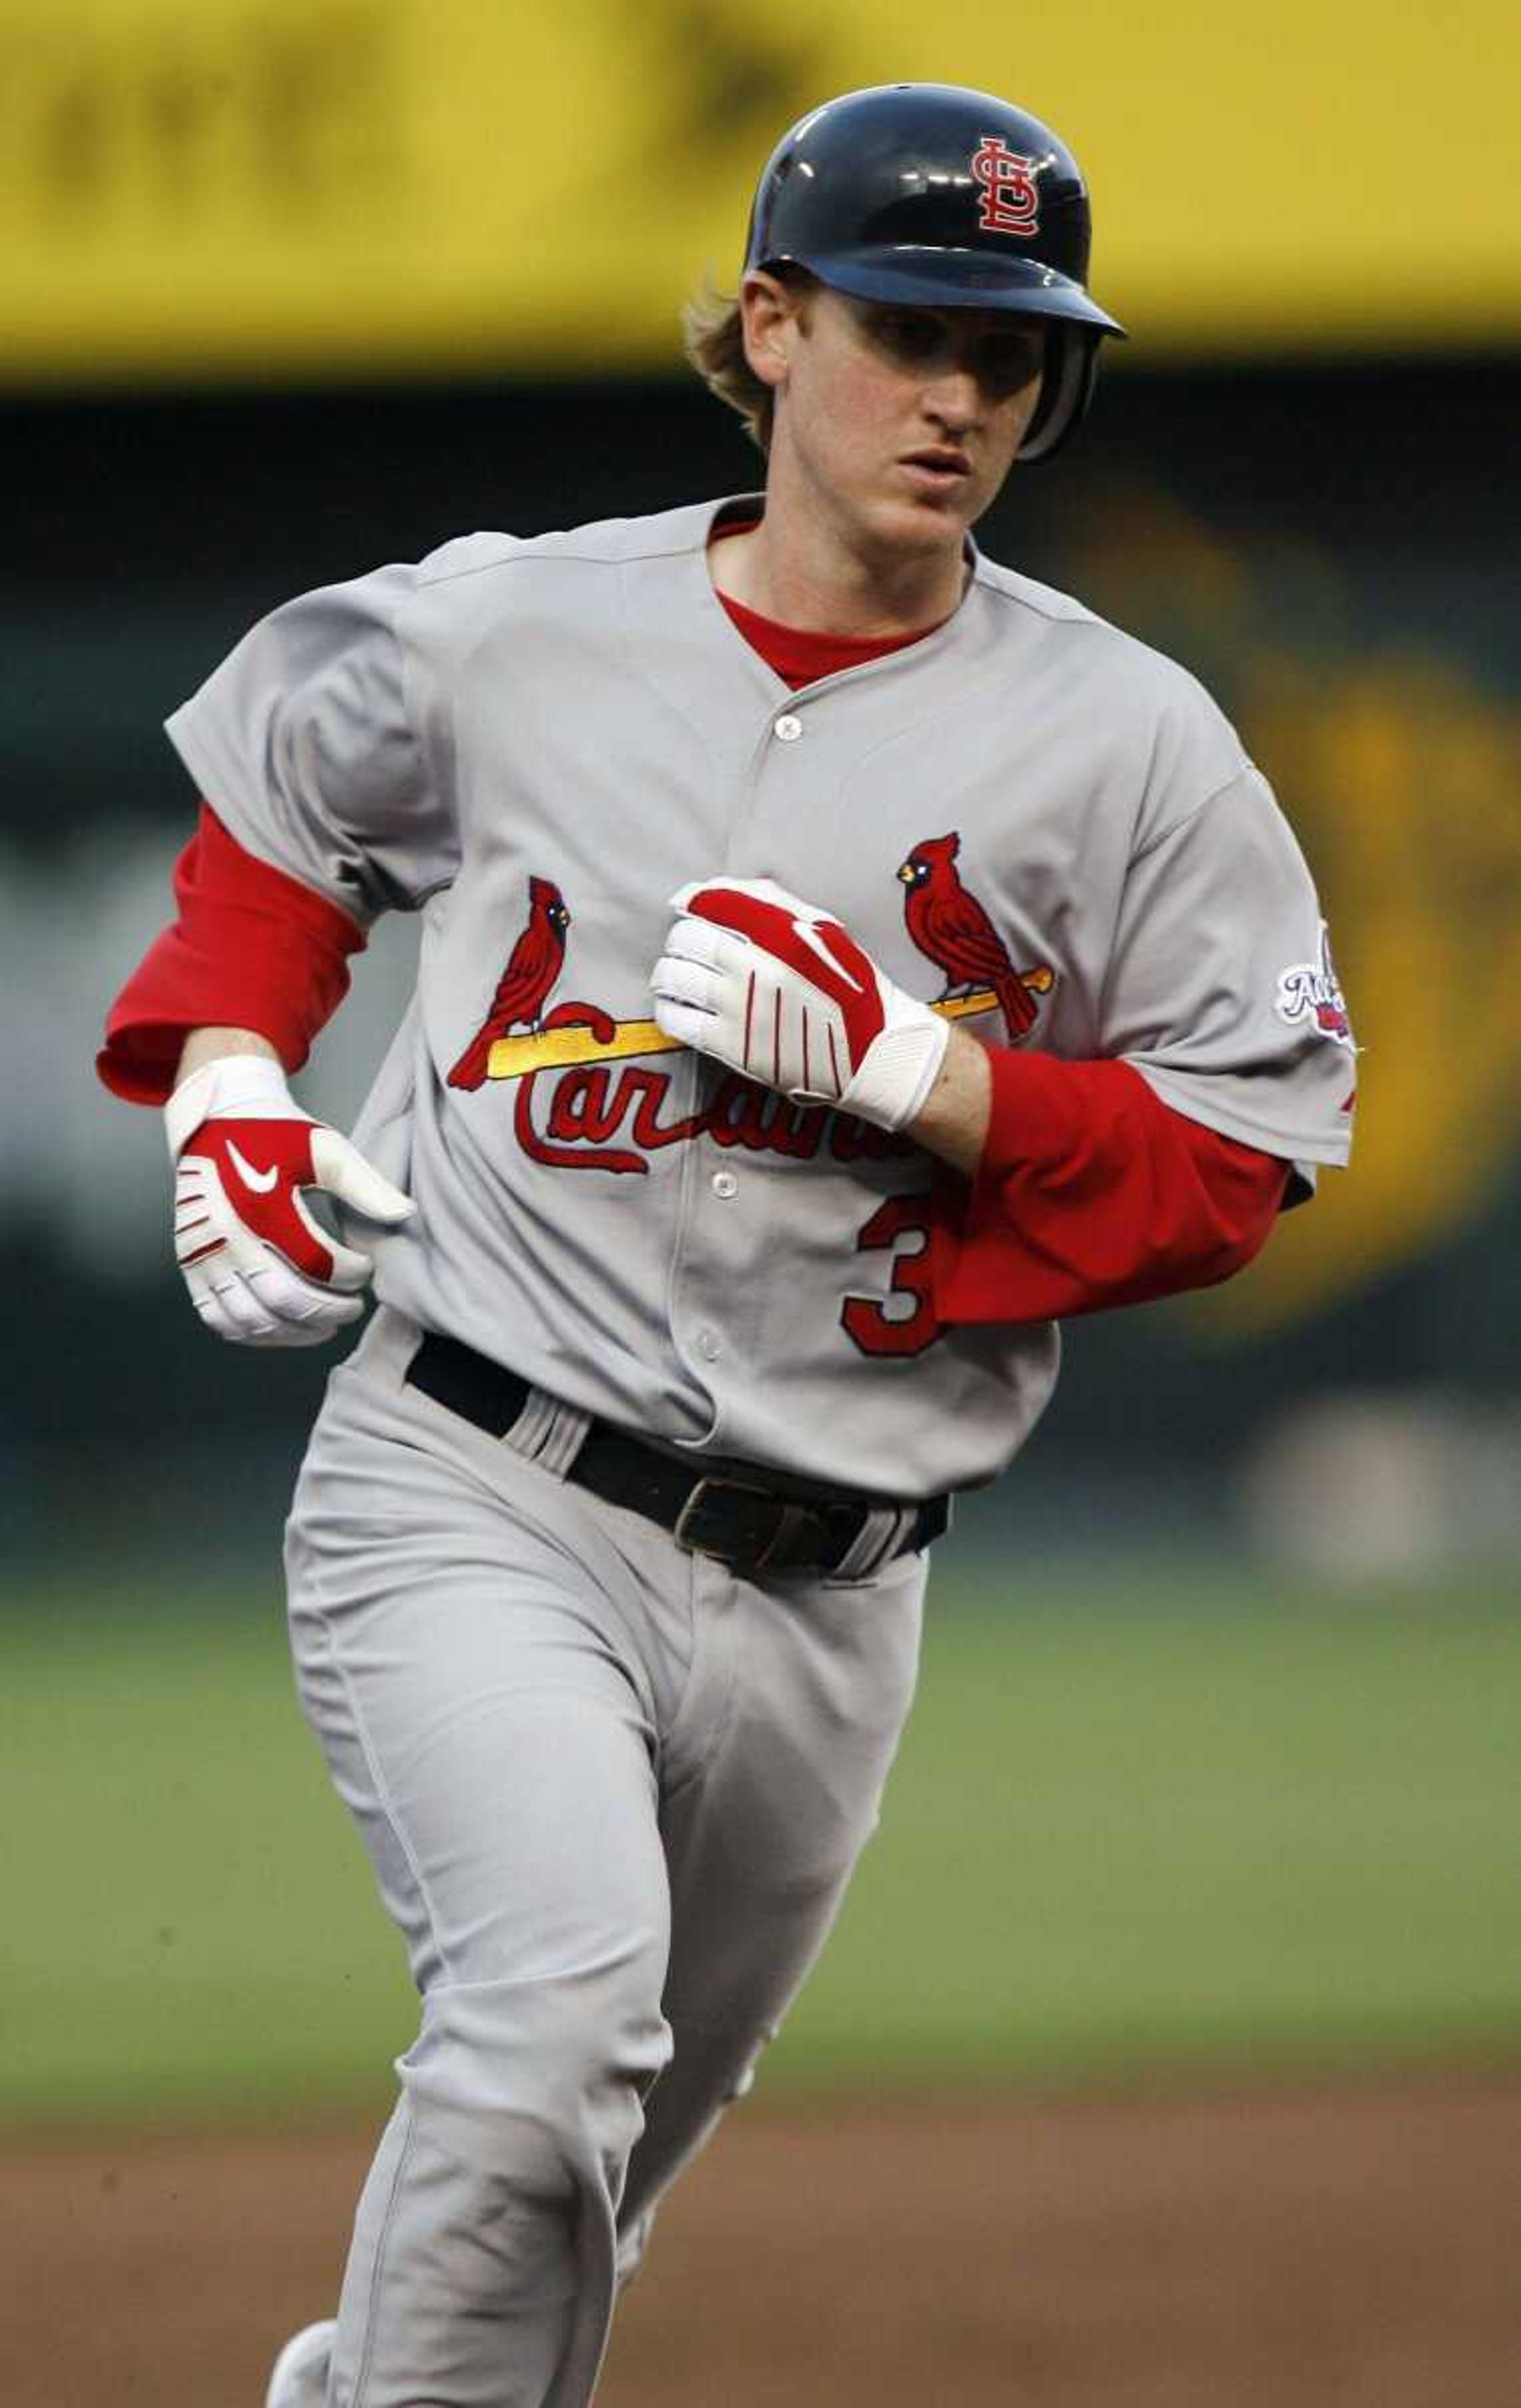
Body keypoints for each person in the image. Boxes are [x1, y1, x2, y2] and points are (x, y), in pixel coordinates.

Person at [99, 80, 1355, 2408]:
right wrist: (234, 1079)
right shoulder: (519, 631)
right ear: (772, 329)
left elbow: (1244, 1154)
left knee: (581, 2175)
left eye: (1017, 359)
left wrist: (932, 1080)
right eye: (910, 332)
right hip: (473, 1477)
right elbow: (281, 821)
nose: (964, 398)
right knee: (548, 2037)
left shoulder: (1131, 739)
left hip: (836, 1578)